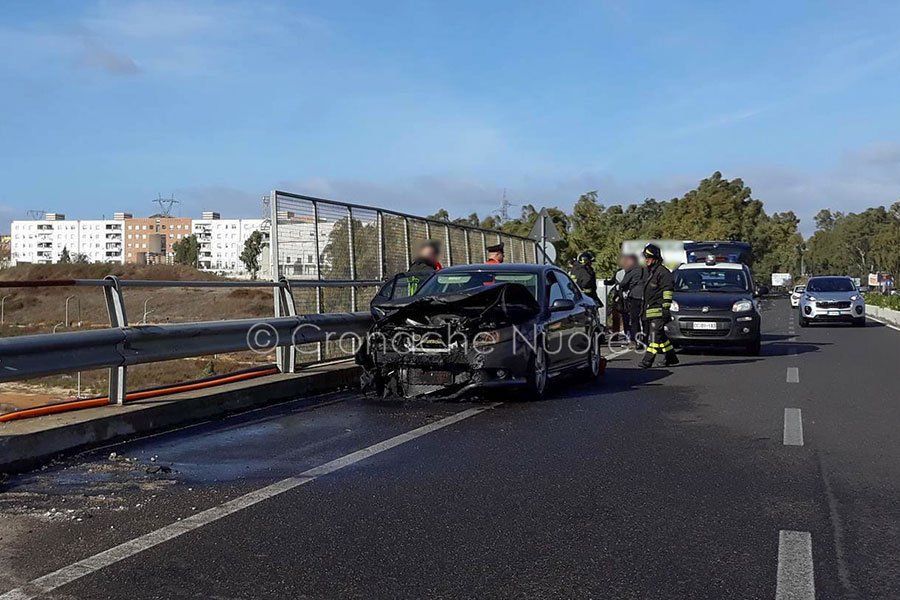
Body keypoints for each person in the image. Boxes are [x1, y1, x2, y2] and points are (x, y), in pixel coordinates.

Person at [638, 243, 678, 368]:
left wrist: (665, 308)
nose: (646, 260)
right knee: (661, 336)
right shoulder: (650, 272)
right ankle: (671, 357)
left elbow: (668, 290)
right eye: (645, 257)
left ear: (655, 258)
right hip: (650, 309)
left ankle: (647, 360)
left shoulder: (663, 272)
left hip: (659, 309)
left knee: (654, 335)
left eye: (648, 257)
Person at [618, 254, 644, 341]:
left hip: (635, 297)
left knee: (634, 320)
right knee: (645, 320)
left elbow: (624, 282)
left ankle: (635, 339)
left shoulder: (633, 270)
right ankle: (646, 338)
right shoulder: (646, 270)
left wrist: (621, 288)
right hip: (646, 297)